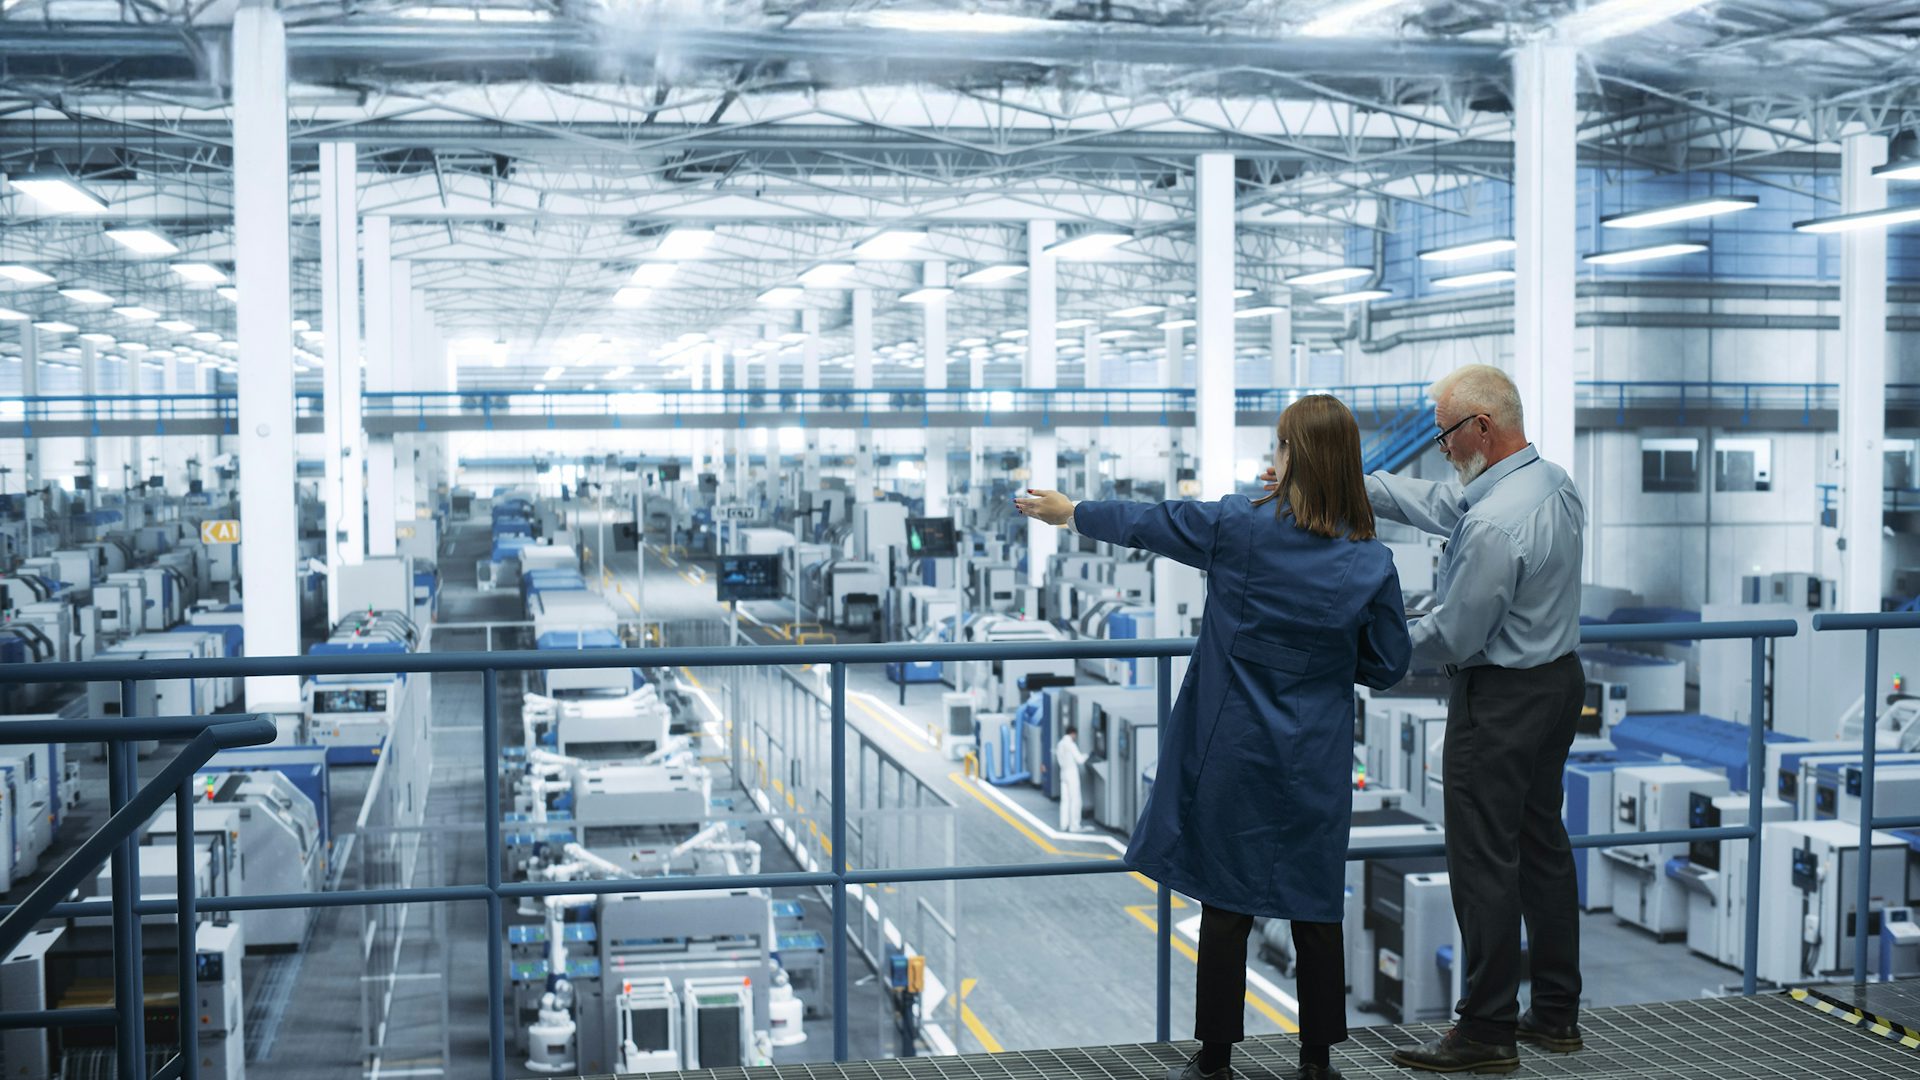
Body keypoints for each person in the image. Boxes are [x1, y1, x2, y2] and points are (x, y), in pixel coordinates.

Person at [1018, 394, 1412, 1080]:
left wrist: (1071, 511)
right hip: (1314, 754)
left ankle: (1216, 1060)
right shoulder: (1370, 559)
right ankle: (1316, 1062)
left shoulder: (1239, 525)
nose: (1273, 458)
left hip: (1234, 747)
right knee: (1314, 903)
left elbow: (1150, 522)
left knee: (1225, 901)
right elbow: (1387, 664)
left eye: (1281, 448)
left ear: (1294, 457)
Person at [1356, 365, 1588, 1074]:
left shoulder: (1493, 522)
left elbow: (1452, 633)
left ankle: (1486, 1030)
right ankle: (1554, 1016)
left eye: (1446, 433)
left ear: (1482, 427)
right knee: (1542, 847)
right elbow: (1442, 503)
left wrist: (1364, 646)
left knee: (1484, 862)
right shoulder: (1548, 482)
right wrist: (1351, 484)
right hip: (1557, 688)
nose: (1442, 448)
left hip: (1501, 702)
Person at [1055, 722, 1088, 832]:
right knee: (1075, 800)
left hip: (1063, 773)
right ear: (1073, 734)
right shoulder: (1071, 744)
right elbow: (1079, 760)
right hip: (1072, 774)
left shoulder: (1060, 744)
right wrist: (1087, 756)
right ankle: (1074, 825)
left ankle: (1063, 824)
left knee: (1065, 800)